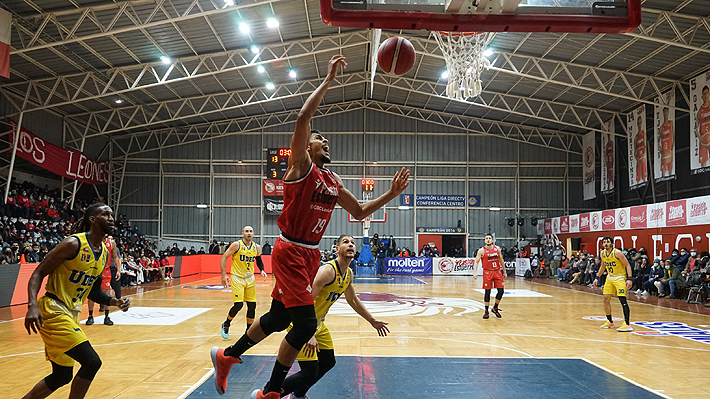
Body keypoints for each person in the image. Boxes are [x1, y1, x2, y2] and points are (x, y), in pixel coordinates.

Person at [210, 54, 410, 399]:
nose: (325, 142)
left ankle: (227, 356)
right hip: (289, 249)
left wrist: (390, 194)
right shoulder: (300, 166)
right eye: (320, 139)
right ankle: (271, 392)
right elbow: (304, 117)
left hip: (310, 255)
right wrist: (330, 81)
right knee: (304, 325)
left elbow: (360, 212)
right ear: (308, 146)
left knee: (275, 319)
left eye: (326, 140)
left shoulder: (333, 180)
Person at [259, 234, 389, 399]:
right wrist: (308, 332)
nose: (350, 245)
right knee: (309, 372)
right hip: (300, 322)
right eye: (345, 242)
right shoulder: (327, 271)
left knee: (328, 362)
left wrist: (372, 320)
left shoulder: (348, 273)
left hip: (317, 323)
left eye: (353, 243)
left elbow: (353, 300)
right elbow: (303, 302)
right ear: (337, 249)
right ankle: (268, 392)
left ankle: (298, 394)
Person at [22, 204, 130, 399]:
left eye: (112, 214)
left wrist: (114, 302)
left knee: (61, 375)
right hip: (53, 309)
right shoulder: (73, 244)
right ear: (93, 220)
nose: (112, 218)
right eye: (106, 214)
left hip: (70, 313)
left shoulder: (103, 253)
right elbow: (38, 272)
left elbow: (93, 290)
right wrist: (32, 305)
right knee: (91, 362)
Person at [220, 226, 267, 339]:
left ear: (253, 234)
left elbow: (259, 260)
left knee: (252, 305)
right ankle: (226, 323)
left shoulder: (257, 247)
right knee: (239, 305)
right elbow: (224, 257)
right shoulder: (236, 245)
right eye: (246, 231)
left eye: (251, 231)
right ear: (242, 233)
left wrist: (262, 270)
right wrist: (223, 275)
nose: (249, 233)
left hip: (250, 278)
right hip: (237, 277)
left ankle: (248, 331)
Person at [594, 236, 633, 332]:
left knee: (622, 299)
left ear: (612, 244)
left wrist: (630, 279)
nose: (606, 244)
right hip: (610, 277)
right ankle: (609, 321)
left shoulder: (617, 253)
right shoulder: (602, 253)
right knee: (605, 298)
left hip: (620, 277)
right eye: (604, 242)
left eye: (608, 242)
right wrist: (597, 277)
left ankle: (627, 324)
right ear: (602, 244)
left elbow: (627, 265)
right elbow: (603, 266)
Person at [85, 236, 121, 326]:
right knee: (91, 294)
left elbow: (115, 256)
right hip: (94, 270)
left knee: (106, 293)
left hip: (106, 270)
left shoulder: (111, 243)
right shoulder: (92, 240)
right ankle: (90, 316)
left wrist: (118, 270)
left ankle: (106, 316)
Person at [473, 234, 507, 319]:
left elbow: (501, 260)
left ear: (492, 240)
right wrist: (475, 272)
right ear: (484, 241)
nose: (488, 240)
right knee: (487, 292)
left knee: (501, 291)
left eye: (489, 238)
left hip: (497, 271)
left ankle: (495, 307)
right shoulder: (481, 251)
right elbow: (476, 262)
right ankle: (486, 311)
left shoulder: (497, 249)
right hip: (487, 272)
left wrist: (504, 271)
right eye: (486, 238)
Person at [697, 85, 710, 168]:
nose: (705, 95)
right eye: (703, 94)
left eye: (706, 93)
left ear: (709, 94)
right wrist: (698, 135)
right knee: (703, 166)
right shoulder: (700, 111)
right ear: (702, 96)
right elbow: (696, 126)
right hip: (703, 138)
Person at [659, 107, 674, 177]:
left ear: (668, 113)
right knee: (663, 172)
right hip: (664, 152)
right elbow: (659, 140)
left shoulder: (671, 123)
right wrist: (660, 151)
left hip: (669, 151)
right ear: (663, 113)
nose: (665, 113)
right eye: (664, 112)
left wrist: (672, 149)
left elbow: (673, 136)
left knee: (670, 170)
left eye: (666, 112)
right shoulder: (661, 128)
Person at [634, 115, 647, 183]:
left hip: (643, 159)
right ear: (637, 124)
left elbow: (645, 146)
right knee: (638, 181)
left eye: (640, 123)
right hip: (638, 160)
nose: (639, 124)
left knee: (645, 178)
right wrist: (637, 158)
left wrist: (643, 155)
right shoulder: (636, 137)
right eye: (638, 123)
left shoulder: (643, 133)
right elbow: (634, 152)